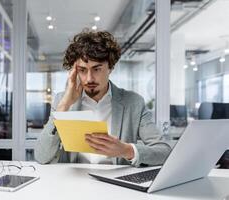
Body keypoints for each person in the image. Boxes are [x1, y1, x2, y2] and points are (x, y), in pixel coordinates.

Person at [35, 29, 172, 167]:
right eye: (82, 70)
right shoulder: (62, 101)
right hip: (75, 183)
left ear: (110, 67)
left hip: (115, 184)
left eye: (97, 69)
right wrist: (64, 106)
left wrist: (126, 150)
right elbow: (41, 156)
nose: (89, 78)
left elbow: (164, 152)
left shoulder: (133, 103)